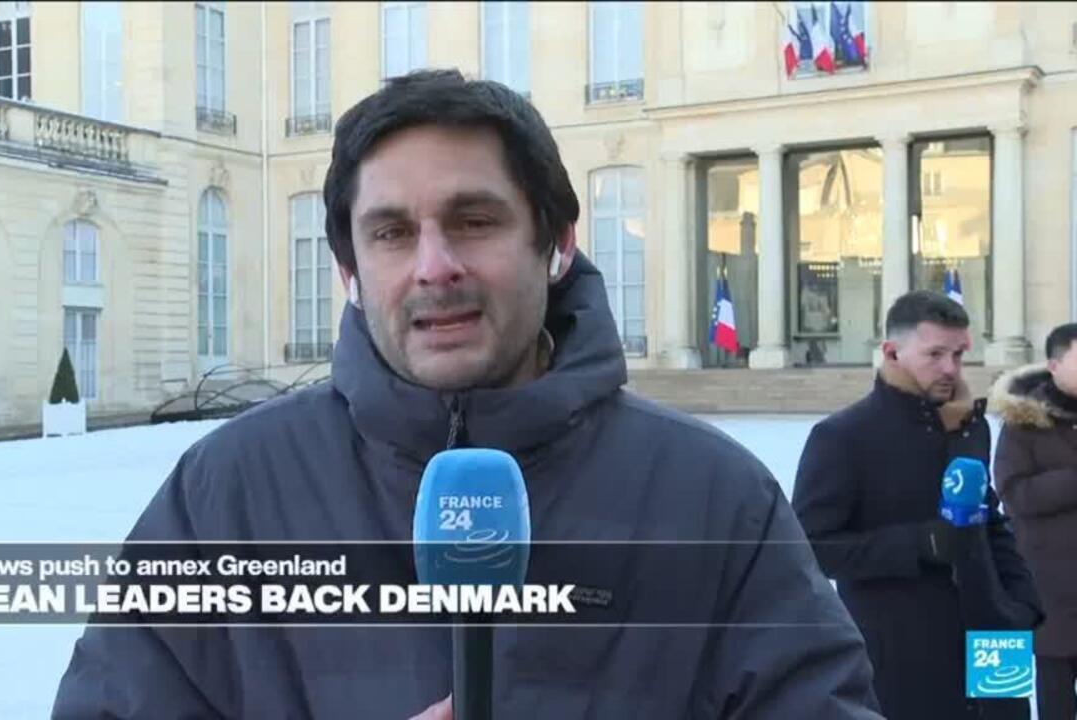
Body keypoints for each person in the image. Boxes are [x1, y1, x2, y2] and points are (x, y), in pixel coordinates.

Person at [52, 69, 882, 719]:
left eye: (474, 221)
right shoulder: (223, 497)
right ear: (348, 270)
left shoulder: (715, 499)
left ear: (556, 243)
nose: (434, 266)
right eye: (391, 233)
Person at [793, 290, 1043, 720]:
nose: (951, 368)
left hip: (995, 637)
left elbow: (990, 518)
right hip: (904, 651)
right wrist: (919, 544)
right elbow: (812, 547)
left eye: (958, 354)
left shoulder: (970, 426)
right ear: (892, 352)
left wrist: (1022, 599)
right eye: (935, 354)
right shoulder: (843, 436)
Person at [988, 323, 1077, 720]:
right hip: (1052, 592)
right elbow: (1015, 494)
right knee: (1056, 703)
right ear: (1054, 366)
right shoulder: (1024, 423)